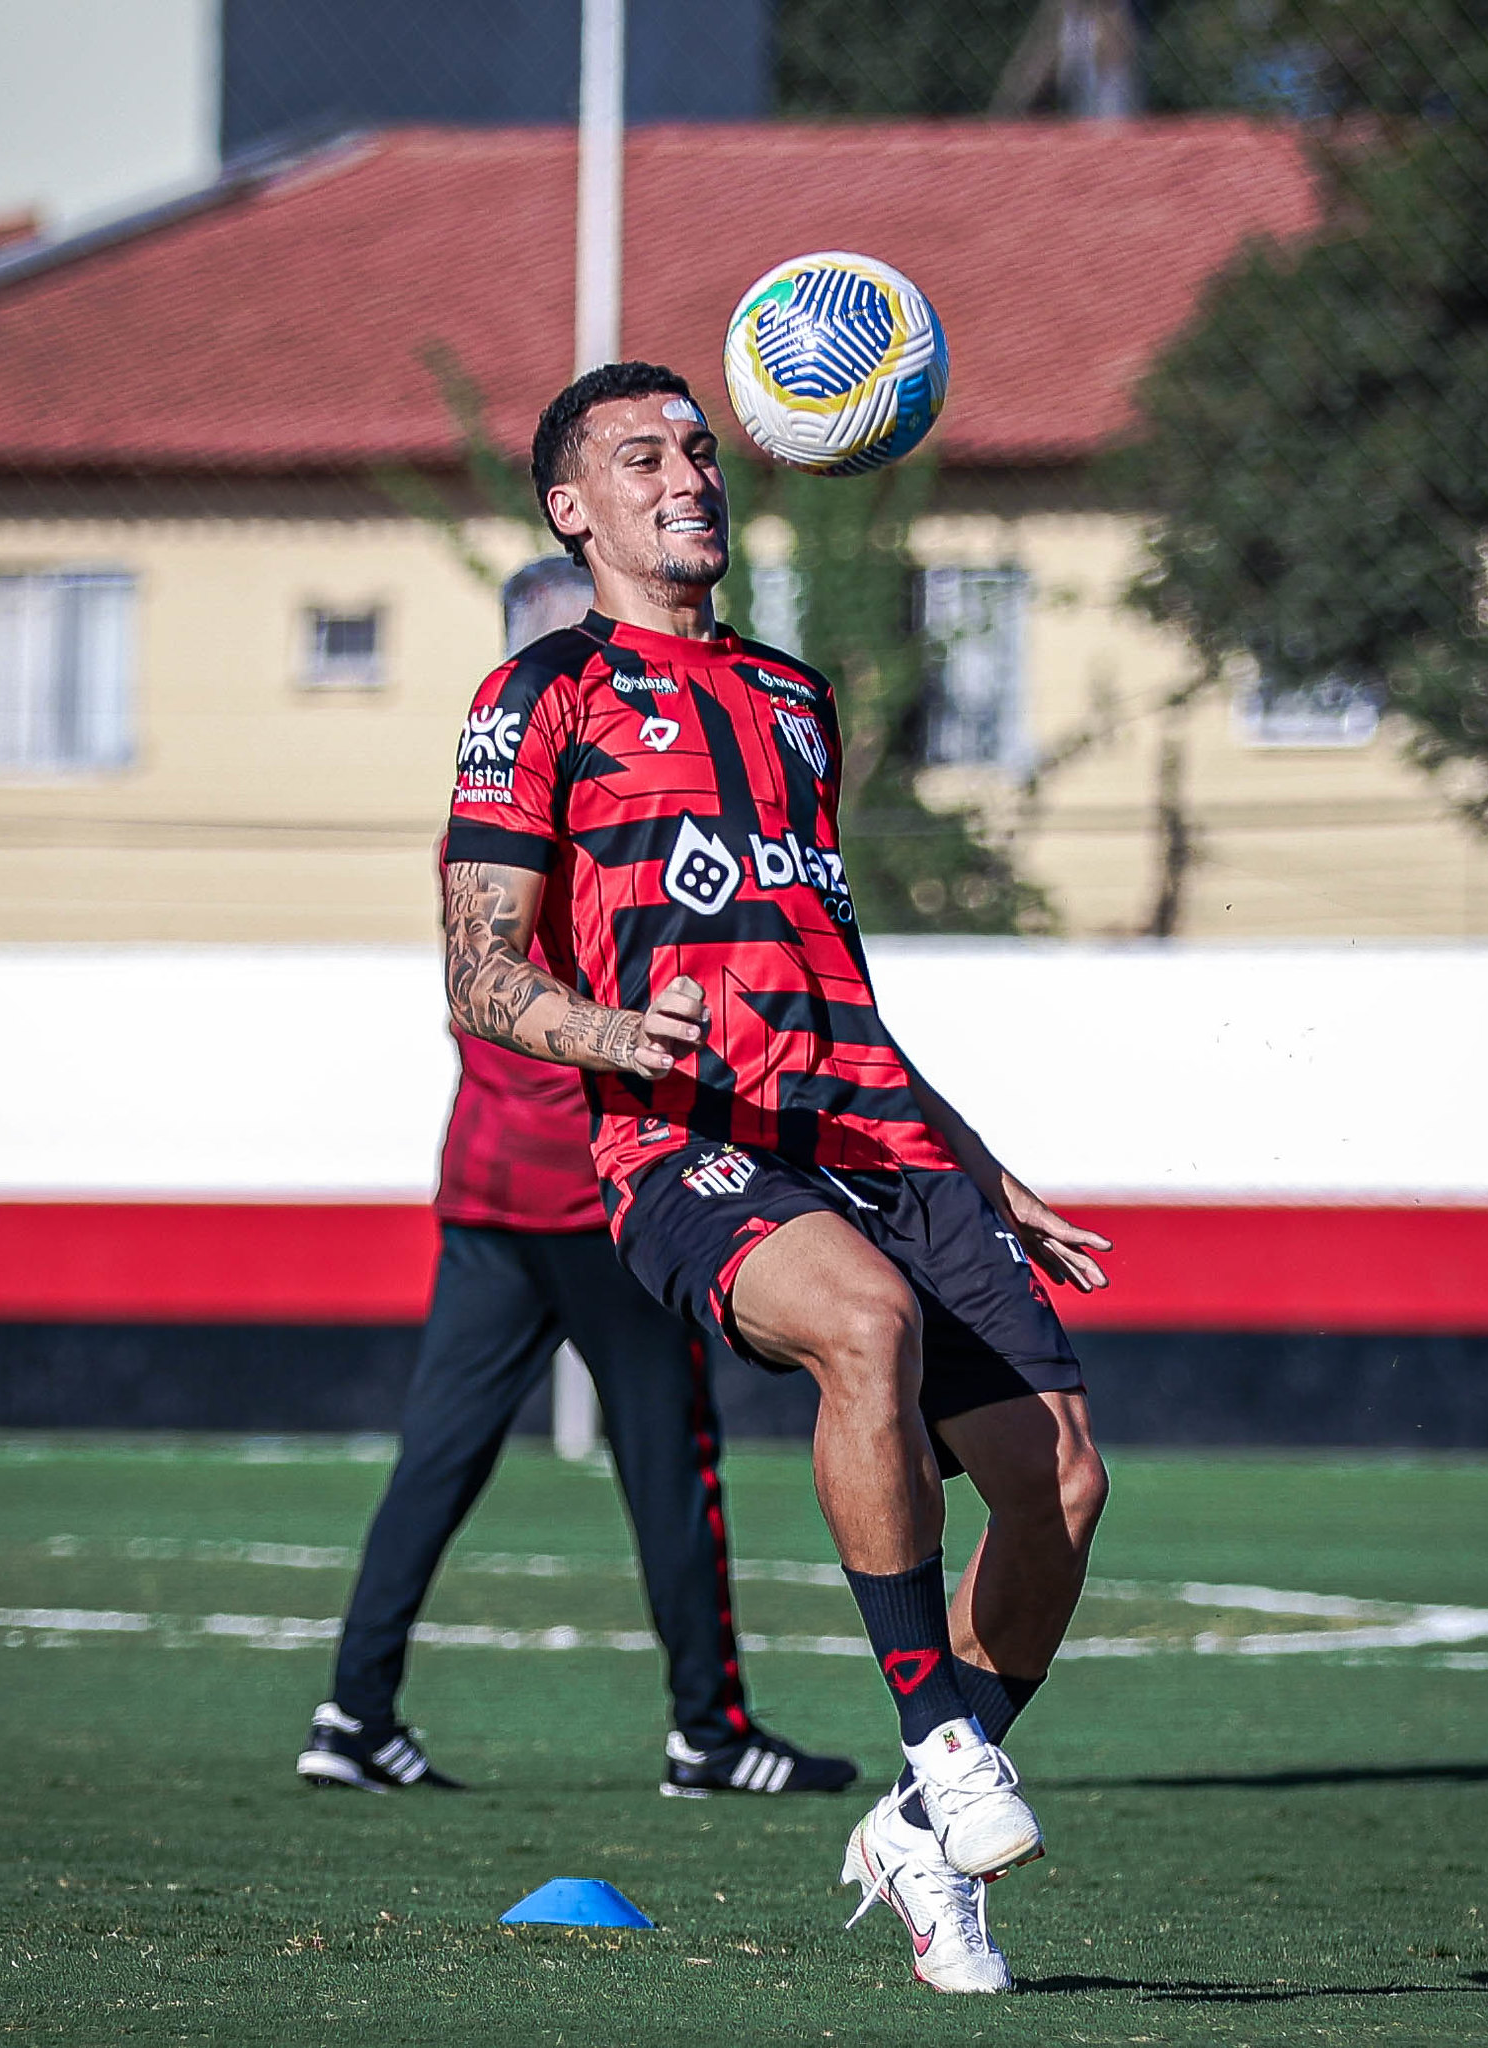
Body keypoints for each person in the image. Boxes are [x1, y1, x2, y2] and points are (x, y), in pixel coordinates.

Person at [435, 361, 1112, 1994]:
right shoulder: (535, 699)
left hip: (875, 1129)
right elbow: (475, 968)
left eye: (697, 450)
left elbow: (832, 971)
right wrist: (614, 1026)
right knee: (860, 1325)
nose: (688, 474)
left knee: (1063, 1484)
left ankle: (913, 1834)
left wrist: (979, 1160)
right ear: (568, 506)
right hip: (684, 1139)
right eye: (641, 454)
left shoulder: (793, 699)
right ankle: (942, 1738)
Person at [296, 557, 857, 1805]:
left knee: (437, 1457)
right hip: (598, 1185)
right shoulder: (582, 786)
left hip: (489, 1185)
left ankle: (354, 1709)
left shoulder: (484, 806)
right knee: (671, 1458)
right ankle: (707, 1735)